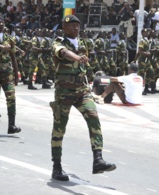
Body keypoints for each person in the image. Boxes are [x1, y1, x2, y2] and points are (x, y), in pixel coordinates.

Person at [50, 15, 116, 181]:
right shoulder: (59, 43)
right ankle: (56, 167)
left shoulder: (83, 44)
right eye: (72, 26)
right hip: (64, 91)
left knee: (93, 117)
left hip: (82, 90)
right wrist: (77, 57)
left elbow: (85, 67)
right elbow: (63, 53)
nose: (75, 28)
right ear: (64, 28)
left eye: (77, 26)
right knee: (60, 128)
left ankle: (98, 160)